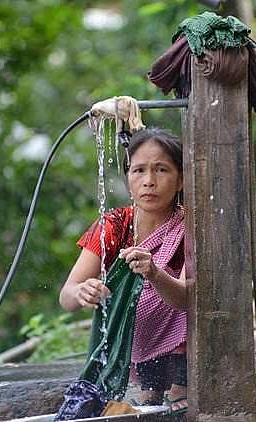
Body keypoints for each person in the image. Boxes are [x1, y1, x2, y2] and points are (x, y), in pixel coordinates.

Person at [59, 128, 188, 412]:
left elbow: (187, 298)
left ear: (180, 180)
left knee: (180, 407)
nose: (149, 181)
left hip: (185, 356)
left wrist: (154, 274)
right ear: (129, 180)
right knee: (142, 409)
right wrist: (83, 291)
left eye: (161, 169)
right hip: (129, 352)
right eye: (139, 170)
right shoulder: (114, 226)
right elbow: (66, 297)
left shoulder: (190, 227)